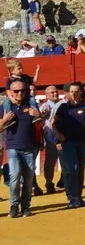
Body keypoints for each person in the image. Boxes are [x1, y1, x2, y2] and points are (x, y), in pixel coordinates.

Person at [51, 82, 85, 208]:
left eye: (76, 91)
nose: (74, 93)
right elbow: (52, 124)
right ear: (68, 93)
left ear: (81, 92)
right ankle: (72, 197)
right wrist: (59, 136)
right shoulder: (63, 107)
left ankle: (78, 197)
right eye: (72, 91)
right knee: (73, 168)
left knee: (80, 168)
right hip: (68, 141)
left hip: (83, 141)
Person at [1, 79, 41, 218]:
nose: (19, 93)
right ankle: (14, 205)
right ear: (10, 92)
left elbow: (41, 124)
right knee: (15, 176)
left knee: (29, 179)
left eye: (22, 90)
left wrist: (37, 115)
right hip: (13, 147)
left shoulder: (31, 105)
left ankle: (25, 206)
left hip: (29, 147)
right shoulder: (6, 107)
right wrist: (5, 119)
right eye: (16, 91)